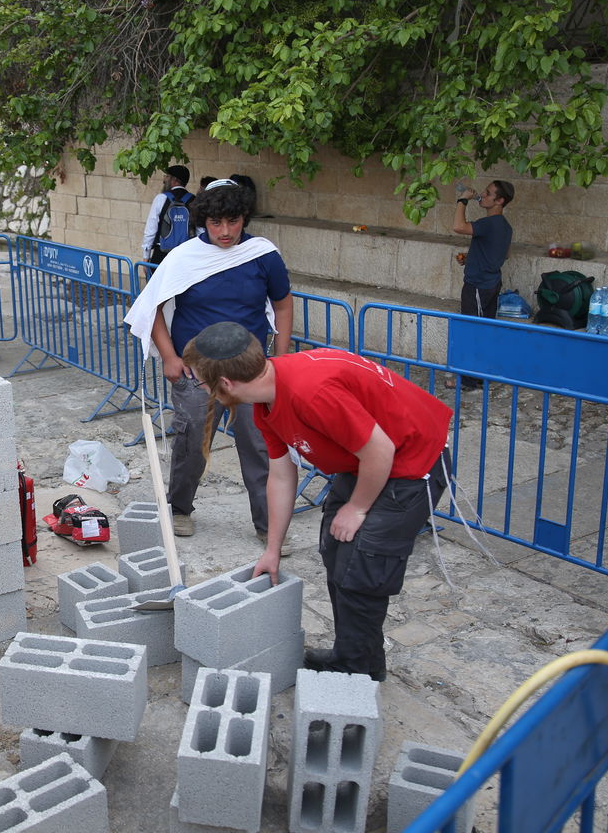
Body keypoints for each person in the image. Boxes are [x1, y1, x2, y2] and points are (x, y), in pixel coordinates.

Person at [181, 321, 453, 681]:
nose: (203, 390)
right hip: (364, 461)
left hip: (410, 464)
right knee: (336, 551)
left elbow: (380, 450)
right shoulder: (266, 399)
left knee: (364, 568)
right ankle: (357, 656)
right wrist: (272, 550)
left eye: (202, 382)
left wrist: (357, 509)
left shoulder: (310, 392)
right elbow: (280, 475)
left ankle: (355, 673)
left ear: (226, 384)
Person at [125, 179, 293, 540]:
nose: (226, 231)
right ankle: (180, 508)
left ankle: (268, 526)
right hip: (195, 368)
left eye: (233, 221)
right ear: (205, 222)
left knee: (259, 443)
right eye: (216, 223)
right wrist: (169, 357)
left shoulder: (263, 254)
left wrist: (281, 360)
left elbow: (282, 303)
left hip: (251, 369)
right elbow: (150, 305)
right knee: (191, 441)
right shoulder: (183, 257)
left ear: (244, 218)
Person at [451, 180, 514, 319]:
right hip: (493, 284)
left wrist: (462, 199)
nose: (482, 194)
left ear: (499, 201)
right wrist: (472, 258)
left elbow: (458, 226)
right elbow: (506, 254)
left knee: (472, 326)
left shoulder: (488, 223)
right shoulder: (506, 226)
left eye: (488, 193)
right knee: (486, 324)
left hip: (478, 285)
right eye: (484, 191)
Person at [141, 165, 195, 264]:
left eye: (166, 176)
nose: (164, 180)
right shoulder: (193, 200)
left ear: (174, 180)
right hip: (187, 255)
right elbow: (200, 231)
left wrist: (146, 257)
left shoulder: (161, 198)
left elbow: (150, 230)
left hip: (162, 255)